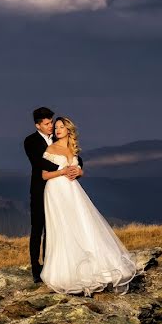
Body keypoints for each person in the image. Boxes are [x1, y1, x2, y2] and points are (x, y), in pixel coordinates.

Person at [40, 116, 137, 296]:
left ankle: (98, 266)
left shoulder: (72, 150)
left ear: (68, 129)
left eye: (61, 127)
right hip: (56, 190)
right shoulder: (51, 149)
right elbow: (44, 175)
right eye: (56, 127)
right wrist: (63, 171)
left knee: (83, 222)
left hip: (73, 190)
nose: (57, 130)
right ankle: (66, 271)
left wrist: (79, 171)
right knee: (64, 226)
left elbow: (78, 170)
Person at [23, 107, 81, 283]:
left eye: (51, 123)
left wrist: (77, 169)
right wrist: (62, 170)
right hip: (41, 190)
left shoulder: (57, 138)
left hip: (61, 192)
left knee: (54, 229)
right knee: (37, 228)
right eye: (47, 124)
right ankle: (35, 267)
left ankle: (50, 265)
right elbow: (38, 162)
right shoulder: (30, 141)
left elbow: (74, 153)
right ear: (37, 125)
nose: (51, 126)